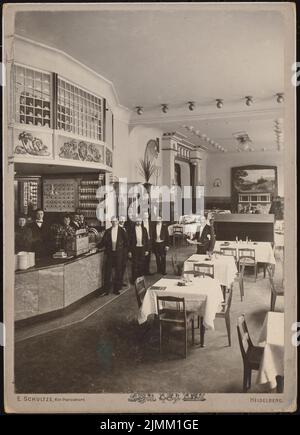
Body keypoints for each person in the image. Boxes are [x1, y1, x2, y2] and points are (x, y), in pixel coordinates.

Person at [98, 216, 128, 295]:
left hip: (119, 254)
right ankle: (106, 290)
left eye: (115, 221)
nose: (114, 223)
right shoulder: (108, 231)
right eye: (112, 221)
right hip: (110, 254)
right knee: (108, 272)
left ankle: (116, 289)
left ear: (118, 222)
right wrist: (96, 247)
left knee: (118, 272)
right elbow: (103, 242)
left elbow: (126, 243)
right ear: (111, 222)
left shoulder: (122, 231)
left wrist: (123, 253)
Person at [128, 217, 149, 283]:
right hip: (135, 249)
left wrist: (147, 250)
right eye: (137, 221)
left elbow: (146, 240)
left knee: (141, 264)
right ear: (135, 222)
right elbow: (129, 241)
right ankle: (134, 279)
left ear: (141, 222)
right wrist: (129, 251)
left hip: (142, 248)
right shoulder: (132, 230)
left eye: (140, 221)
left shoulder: (144, 229)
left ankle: (140, 279)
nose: (138, 222)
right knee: (134, 265)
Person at [119, 216, 129, 286]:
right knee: (119, 267)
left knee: (123, 266)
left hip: (125, 251)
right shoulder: (117, 229)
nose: (122, 221)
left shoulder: (125, 228)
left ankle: (121, 281)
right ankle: (119, 282)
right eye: (121, 220)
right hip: (120, 251)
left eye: (123, 220)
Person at [142, 211, 152, 275]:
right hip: (143, 242)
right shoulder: (140, 222)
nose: (146, 216)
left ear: (148, 216)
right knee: (143, 257)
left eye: (147, 215)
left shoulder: (150, 223)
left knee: (148, 257)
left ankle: (147, 271)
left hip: (149, 241)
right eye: (144, 215)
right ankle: (142, 271)